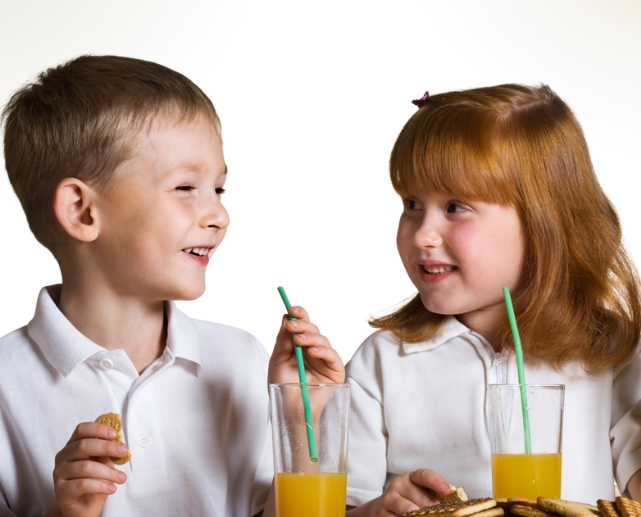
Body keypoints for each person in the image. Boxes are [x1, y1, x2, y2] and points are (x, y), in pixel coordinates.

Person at [0, 55, 344, 517]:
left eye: (218, 189)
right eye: (186, 188)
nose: (218, 215)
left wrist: (300, 422)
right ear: (82, 210)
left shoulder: (241, 360)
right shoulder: (6, 387)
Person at [344, 84, 641, 516]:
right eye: (411, 203)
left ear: (544, 219)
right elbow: (342, 506)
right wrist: (375, 511)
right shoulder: (383, 363)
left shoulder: (611, 349)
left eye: (454, 207)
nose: (423, 235)